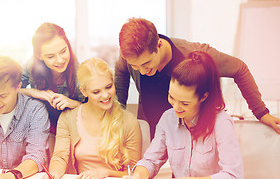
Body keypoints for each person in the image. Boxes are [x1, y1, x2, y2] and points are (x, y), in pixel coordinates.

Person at [115, 18, 280, 138]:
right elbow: (121, 70)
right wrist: (119, 113)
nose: (142, 71)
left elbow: (239, 68)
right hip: (155, 140)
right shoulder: (131, 57)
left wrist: (261, 112)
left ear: (158, 45)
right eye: (135, 66)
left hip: (194, 142)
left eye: (147, 64)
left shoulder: (194, 54)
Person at [121, 51, 244, 179]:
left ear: (203, 97)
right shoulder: (168, 119)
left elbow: (234, 178)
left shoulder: (221, 123)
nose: (176, 107)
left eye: (185, 103)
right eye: (171, 97)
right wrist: (136, 177)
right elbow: (151, 161)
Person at [42, 57, 141, 179]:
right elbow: (60, 156)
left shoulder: (129, 122)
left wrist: (105, 173)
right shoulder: (68, 119)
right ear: (84, 91)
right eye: (96, 92)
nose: (105, 95)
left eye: (108, 87)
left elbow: (134, 172)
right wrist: (52, 175)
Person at [21, 23, 85, 135]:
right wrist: (35, 92)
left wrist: (73, 103)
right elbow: (9, 90)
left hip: (71, 131)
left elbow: (94, 111)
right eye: (50, 56)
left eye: (63, 51)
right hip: (39, 129)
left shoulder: (80, 73)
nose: (60, 60)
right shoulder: (31, 65)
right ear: (39, 56)